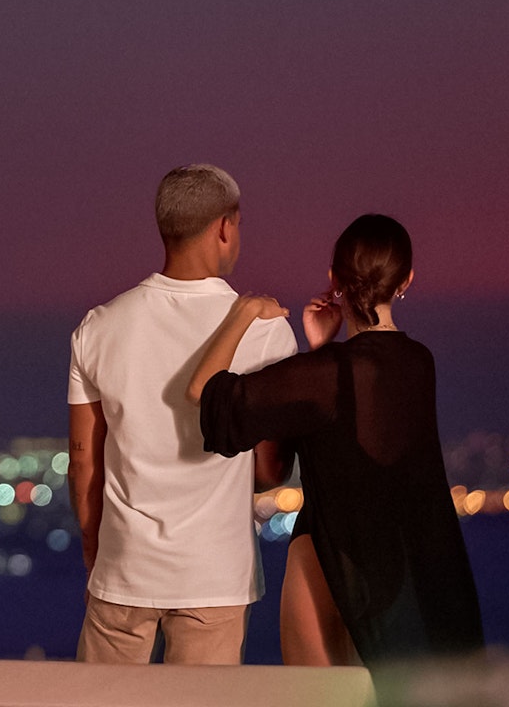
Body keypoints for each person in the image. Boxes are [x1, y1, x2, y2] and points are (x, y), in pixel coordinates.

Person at [187, 213, 484, 667]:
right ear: (406, 279)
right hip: (409, 573)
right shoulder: (419, 363)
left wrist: (245, 313)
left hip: (327, 561)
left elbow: (205, 393)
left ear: (334, 278)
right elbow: (353, 412)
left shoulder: (322, 375)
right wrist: (323, 351)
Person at [67, 164, 297, 665]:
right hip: (213, 576)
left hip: (123, 568)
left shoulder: (99, 327)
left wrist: (96, 557)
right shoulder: (266, 330)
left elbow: (84, 463)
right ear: (224, 227)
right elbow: (268, 470)